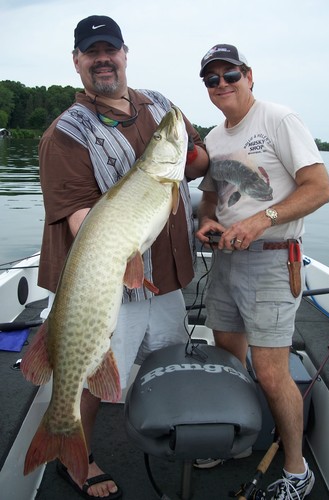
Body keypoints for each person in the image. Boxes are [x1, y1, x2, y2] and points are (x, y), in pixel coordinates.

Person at [37, 15, 209, 499]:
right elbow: (79, 218)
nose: (103, 59)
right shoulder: (65, 134)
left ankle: (165, 427)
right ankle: (74, 456)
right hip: (108, 283)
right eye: (92, 53)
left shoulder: (159, 106)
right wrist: (122, 257)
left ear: (125, 54)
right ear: (78, 62)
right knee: (91, 374)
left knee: (167, 357)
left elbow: (194, 155)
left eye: (110, 49)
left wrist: (196, 160)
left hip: (167, 277)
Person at [195, 44, 329, 499]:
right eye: (211, 80)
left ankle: (297, 471)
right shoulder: (214, 139)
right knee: (228, 360)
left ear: (249, 75)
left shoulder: (279, 119)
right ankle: (234, 440)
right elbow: (212, 196)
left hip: (275, 259)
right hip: (227, 262)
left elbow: (320, 187)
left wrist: (262, 220)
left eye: (229, 74)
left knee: (271, 371)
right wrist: (207, 221)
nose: (222, 85)